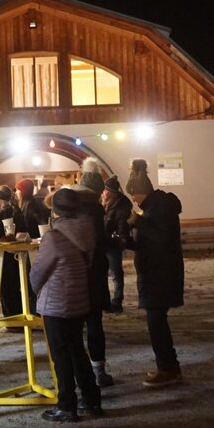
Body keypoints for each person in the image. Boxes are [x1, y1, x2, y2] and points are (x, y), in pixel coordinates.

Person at [29, 188, 102, 422]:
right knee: (77, 351)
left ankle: (66, 405)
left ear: (55, 210)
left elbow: (39, 272)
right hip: (79, 299)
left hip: (56, 302)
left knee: (60, 355)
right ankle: (91, 400)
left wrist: (34, 290)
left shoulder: (54, 236)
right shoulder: (86, 230)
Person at [126, 159, 186, 384]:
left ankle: (168, 370)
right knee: (157, 321)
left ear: (140, 193)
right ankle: (169, 366)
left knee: (156, 323)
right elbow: (149, 241)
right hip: (156, 272)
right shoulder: (154, 208)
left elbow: (161, 239)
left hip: (160, 274)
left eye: (133, 195)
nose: (133, 200)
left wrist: (137, 223)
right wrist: (128, 241)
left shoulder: (159, 209)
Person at [76, 161, 114, 387]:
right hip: (93, 276)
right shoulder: (95, 212)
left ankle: (81, 375)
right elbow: (99, 244)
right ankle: (98, 372)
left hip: (73, 276)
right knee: (94, 324)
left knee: (74, 327)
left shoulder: (68, 211)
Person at [101, 171, 133, 314]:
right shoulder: (108, 203)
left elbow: (121, 225)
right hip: (105, 242)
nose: (103, 193)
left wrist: (119, 237)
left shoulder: (120, 206)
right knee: (106, 272)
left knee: (115, 272)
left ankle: (117, 301)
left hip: (112, 244)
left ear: (110, 192)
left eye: (105, 190)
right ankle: (107, 301)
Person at [0, 185, 24, 319]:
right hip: (18, 251)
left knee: (5, 286)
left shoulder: (2, 212)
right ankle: (18, 314)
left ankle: (10, 317)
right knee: (16, 285)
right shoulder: (17, 209)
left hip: (5, 252)